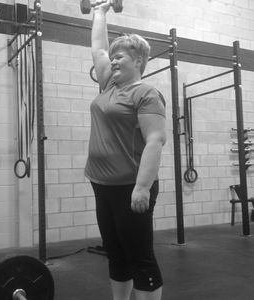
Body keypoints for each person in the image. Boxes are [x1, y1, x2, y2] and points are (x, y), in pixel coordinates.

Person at [84, 1, 166, 299]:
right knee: (115, 253)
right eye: (113, 58)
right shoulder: (108, 86)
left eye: (120, 58)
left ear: (139, 61)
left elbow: (155, 140)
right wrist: (100, 12)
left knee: (139, 256)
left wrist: (143, 188)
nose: (113, 62)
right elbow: (99, 49)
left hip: (131, 186)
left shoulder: (146, 93)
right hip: (102, 184)